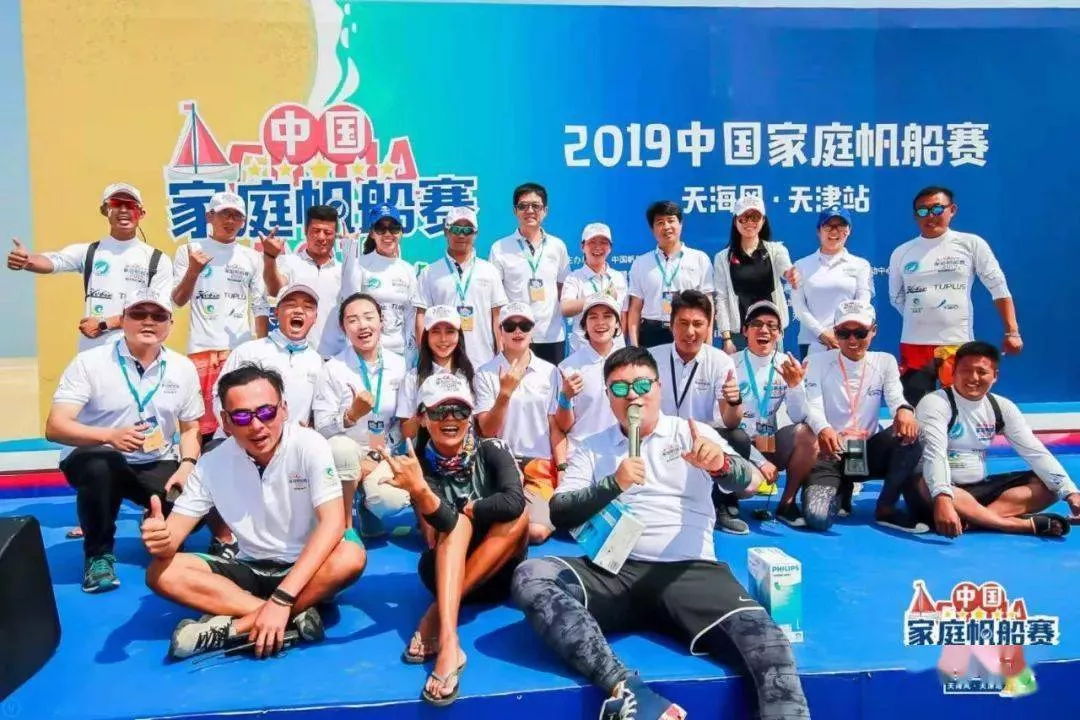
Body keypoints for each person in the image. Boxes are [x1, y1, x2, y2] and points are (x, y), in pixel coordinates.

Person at [511, 346, 810, 720]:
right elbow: (560, 509)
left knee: (771, 648)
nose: (633, 396)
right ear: (608, 396)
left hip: (691, 570)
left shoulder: (691, 432)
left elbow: (750, 482)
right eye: (620, 389)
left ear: (659, 387)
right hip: (615, 570)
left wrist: (720, 464)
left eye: (642, 385)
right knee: (532, 575)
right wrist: (613, 484)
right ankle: (628, 690)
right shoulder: (592, 447)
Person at [141, 364, 367, 660]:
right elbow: (171, 539)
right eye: (242, 417)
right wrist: (160, 540)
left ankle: (238, 627)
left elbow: (333, 523)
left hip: (307, 568)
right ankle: (288, 616)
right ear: (226, 421)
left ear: (284, 409)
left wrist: (283, 596)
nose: (257, 425)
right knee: (160, 572)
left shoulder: (310, 445)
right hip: (249, 567)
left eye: (266, 412)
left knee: (351, 555)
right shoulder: (211, 463)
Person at [45, 288, 201, 593]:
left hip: (155, 458)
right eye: (139, 314)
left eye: (158, 316)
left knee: (196, 503)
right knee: (102, 465)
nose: (148, 321)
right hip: (95, 455)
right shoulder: (89, 362)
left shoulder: (183, 368)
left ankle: (155, 519)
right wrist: (109, 437)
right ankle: (98, 555)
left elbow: (190, 428)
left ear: (170, 325)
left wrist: (187, 465)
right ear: (123, 320)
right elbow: (56, 426)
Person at [387, 374, 528, 707]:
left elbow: (514, 502)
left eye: (460, 410)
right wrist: (422, 492)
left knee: (520, 519)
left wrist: (471, 508)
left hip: (498, 572)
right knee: (457, 525)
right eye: (439, 411)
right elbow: (436, 532)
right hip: (443, 572)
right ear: (422, 417)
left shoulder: (492, 449)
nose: (450, 418)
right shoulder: (418, 468)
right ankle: (450, 645)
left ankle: (436, 615)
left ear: (470, 415)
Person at [915, 341, 1079, 538]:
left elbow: (1034, 451)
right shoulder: (935, 403)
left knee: (1049, 486)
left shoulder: (1002, 407)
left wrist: (1071, 493)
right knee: (924, 482)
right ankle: (1016, 525)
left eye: (981, 372)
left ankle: (974, 521)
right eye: (966, 371)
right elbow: (935, 453)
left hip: (979, 489)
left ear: (995, 376)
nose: (973, 378)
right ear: (954, 372)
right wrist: (943, 497)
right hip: (936, 491)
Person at [888, 186, 1022, 406]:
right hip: (915, 345)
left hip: (957, 343)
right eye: (922, 211)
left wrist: (1012, 331)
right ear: (915, 215)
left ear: (952, 210)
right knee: (916, 409)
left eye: (937, 209)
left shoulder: (971, 244)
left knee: (961, 408)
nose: (930, 216)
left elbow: (998, 288)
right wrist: (923, 314)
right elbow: (896, 297)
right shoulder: (901, 252)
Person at [800, 300, 926, 532]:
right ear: (835, 332)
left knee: (916, 432)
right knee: (817, 518)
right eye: (843, 333)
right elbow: (812, 406)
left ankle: (886, 507)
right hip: (831, 451)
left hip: (868, 451)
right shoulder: (815, 362)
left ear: (873, 331)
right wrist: (823, 428)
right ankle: (842, 487)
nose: (852, 340)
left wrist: (904, 410)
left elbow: (896, 397)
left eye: (860, 333)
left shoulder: (885, 361)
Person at [6, 182, 172, 351]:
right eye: (116, 203)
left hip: (139, 351)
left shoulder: (158, 259)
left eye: (130, 205)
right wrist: (26, 261)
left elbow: (159, 310)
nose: (123, 210)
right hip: (93, 350)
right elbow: (53, 261)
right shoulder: (88, 251)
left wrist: (103, 324)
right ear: (104, 210)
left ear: (141, 213)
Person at [646, 290, 750, 535]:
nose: (690, 331)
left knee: (738, 438)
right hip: (658, 437)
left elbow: (730, 421)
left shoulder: (720, 361)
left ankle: (722, 504)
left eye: (697, 324)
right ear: (671, 324)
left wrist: (734, 401)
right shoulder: (651, 358)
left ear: (708, 326)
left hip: (702, 439)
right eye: (683, 323)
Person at [171, 191, 271, 442]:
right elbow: (178, 300)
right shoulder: (190, 251)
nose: (230, 220)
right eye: (224, 213)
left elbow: (260, 306)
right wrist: (193, 271)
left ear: (243, 222)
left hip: (239, 353)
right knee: (201, 428)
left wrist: (262, 349)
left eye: (237, 216)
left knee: (242, 421)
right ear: (209, 216)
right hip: (201, 352)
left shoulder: (252, 257)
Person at [313, 293, 410, 537]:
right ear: (343, 328)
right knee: (342, 450)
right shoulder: (332, 369)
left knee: (393, 499)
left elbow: (400, 423)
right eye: (353, 320)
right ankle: (344, 526)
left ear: (381, 321)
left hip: (382, 451)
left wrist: (378, 456)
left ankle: (367, 505)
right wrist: (351, 415)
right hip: (345, 452)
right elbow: (322, 428)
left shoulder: (400, 365)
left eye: (368, 317)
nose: (362, 325)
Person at [474, 302, 564, 544]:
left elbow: (555, 426)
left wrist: (562, 469)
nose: (517, 331)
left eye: (524, 325)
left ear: (533, 330)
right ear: (500, 331)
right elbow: (487, 430)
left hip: (539, 465)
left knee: (537, 532)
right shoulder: (485, 373)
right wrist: (504, 394)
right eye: (510, 326)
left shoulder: (550, 372)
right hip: (502, 463)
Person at [213, 283, 326, 434]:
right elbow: (218, 396)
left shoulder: (317, 361)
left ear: (315, 318)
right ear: (276, 313)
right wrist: (237, 434)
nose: (299, 311)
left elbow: (319, 411)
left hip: (293, 444)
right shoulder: (248, 351)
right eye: (291, 305)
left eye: (308, 307)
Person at [414, 207, 508, 367]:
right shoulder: (429, 272)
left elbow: (497, 316)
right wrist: (425, 357)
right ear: (446, 232)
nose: (462, 235)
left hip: (483, 361)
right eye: (456, 229)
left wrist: (501, 355)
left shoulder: (489, 271)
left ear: (475, 234)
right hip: (443, 362)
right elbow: (421, 318)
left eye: (468, 230)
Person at [489, 183, 571, 365]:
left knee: (550, 382)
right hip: (515, 335)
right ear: (515, 211)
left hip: (551, 335)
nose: (530, 211)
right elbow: (495, 299)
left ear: (545, 210)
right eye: (523, 206)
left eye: (536, 206)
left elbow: (562, 288)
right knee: (514, 382)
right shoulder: (499, 248)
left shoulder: (557, 246)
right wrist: (500, 339)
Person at [713, 194, 799, 354]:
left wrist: (790, 275)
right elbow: (721, 298)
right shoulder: (723, 258)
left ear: (763, 220)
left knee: (773, 371)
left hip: (771, 332)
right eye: (744, 218)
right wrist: (726, 339)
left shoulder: (776, 250)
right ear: (735, 221)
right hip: (739, 335)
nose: (749, 223)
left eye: (755, 217)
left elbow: (785, 269)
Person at [626, 201, 715, 348]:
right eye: (660, 222)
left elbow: (708, 302)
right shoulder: (641, 263)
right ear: (652, 229)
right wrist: (635, 345)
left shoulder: (700, 259)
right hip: (652, 333)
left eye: (671, 220)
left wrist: (708, 341)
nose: (666, 226)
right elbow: (635, 308)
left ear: (680, 224)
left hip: (688, 330)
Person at [262, 204, 344, 358]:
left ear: (335, 235)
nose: (321, 237)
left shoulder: (343, 271)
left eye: (328, 232)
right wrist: (270, 258)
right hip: (294, 355)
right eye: (316, 231)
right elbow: (274, 289)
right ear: (305, 231)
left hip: (335, 357)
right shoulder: (289, 262)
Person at [790, 206, 873, 358]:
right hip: (812, 341)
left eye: (841, 227)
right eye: (828, 226)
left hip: (849, 339)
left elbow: (863, 303)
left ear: (849, 231)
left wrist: (843, 331)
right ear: (819, 231)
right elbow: (798, 306)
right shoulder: (801, 265)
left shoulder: (861, 265)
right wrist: (821, 333)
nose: (834, 232)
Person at [342, 205, 418, 357]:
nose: (388, 234)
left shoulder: (407, 269)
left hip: (401, 353)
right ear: (372, 233)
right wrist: (348, 249)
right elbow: (350, 305)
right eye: (381, 228)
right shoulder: (360, 264)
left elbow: (411, 315)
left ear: (400, 232)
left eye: (394, 228)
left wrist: (411, 353)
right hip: (369, 352)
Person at [551, 294, 622, 451]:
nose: (600, 322)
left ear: (617, 323)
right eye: (593, 317)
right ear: (584, 325)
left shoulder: (629, 363)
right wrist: (565, 398)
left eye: (607, 316)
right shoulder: (567, 368)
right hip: (580, 452)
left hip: (620, 451)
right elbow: (563, 426)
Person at [396, 305, 476, 441]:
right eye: (436, 332)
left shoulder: (471, 375)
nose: (443, 339)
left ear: (459, 335)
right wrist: (425, 411)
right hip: (424, 452)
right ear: (426, 335)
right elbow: (406, 433)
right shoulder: (412, 378)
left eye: (450, 331)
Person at [559, 222, 629, 355]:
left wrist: (621, 343)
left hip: (616, 351)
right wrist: (601, 297)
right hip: (583, 351)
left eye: (603, 242)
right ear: (582, 246)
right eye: (592, 242)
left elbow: (623, 315)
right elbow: (565, 308)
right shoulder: (574, 278)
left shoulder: (619, 277)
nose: (598, 247)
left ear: (610, 248)